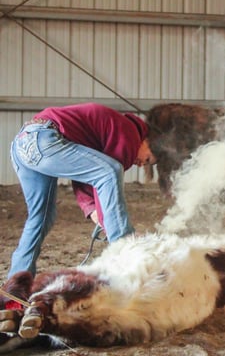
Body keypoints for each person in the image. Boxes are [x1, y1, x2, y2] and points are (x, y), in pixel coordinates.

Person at [4, 103, 156, 280]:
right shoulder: (129, 133)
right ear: (146, 140)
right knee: (111, 170)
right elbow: (106, 176)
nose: (142, 164)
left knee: (41, 217)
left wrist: (93, 210)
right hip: (44, 138)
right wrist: (115, 228)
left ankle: (15, 287)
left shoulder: (113, 128)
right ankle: (124, 248)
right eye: (148, 159)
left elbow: (87, 175)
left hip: (23, 142)